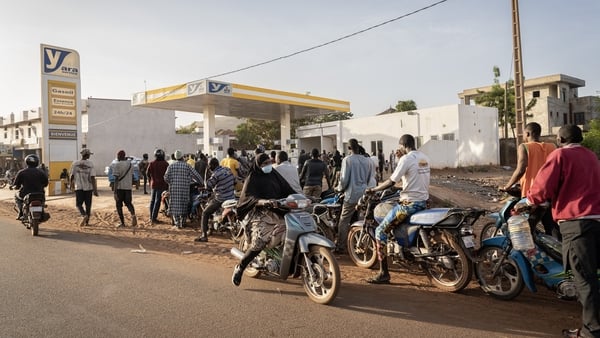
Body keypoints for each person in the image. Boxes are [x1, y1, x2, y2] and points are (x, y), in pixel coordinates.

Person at [525, 125, 600, 338]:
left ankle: (591, 331)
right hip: (596, 220)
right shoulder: (591, 155)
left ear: (560, 138)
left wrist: (529, 200)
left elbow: (542, 188)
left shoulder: (560, 155)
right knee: (593, 275)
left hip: (576, 223)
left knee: (585, 280)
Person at [366, 134, 431, 284]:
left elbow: (391, 181)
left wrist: (374, 189)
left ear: (402, 146)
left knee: (380, 231)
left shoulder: (406, 159)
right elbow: (412, 176)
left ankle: (383, 273)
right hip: (423, 202)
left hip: (409, 204)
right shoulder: (424, 157)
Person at [231, 153, 296, 286]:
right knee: (260, 240)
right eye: (264, 164)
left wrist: (301, 197)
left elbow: (288, 190)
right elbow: (249, 198)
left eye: (269, 162)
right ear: (258, 166)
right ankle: (240, 267)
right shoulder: (253, 178)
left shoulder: (275, 175)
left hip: (277, 210)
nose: (268, 166)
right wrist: (263, 202)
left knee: (291, 231)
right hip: (258, 213)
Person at [502, 122, 558, 237]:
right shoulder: (552, 146)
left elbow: (521, 169)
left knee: (524, 229)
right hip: (550, 193)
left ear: (527, 133)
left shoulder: (524, 147)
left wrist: (507, 186)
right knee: (551, 226)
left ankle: (528, 252)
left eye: (523, 133)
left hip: (532, 194)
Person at [335, 139, 374, 253]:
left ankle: (341, 245)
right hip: (363, 194)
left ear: (349, 148)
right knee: (361, 219)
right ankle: (361, 244)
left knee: (344, 220)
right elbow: (368, 178)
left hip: (351, 195)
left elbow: (344, 180)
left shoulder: (347, 160)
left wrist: (338, 189)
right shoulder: (366, 160)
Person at [194, 158, 235, 242]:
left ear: (212, 165)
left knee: (205, 213)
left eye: (209, 165)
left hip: (221, 198)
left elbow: (208, 185)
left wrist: (206, 173)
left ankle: (203, 235)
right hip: (231, 197)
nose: (209, 167)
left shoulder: (216, 174)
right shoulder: (227, 170)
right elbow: (234, 181)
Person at [164, 150, 204, 229]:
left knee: (175, 205)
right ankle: (183, 222)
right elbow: (196, 176)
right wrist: (201, 182)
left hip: (174, 189)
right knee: (184, 204)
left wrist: (171, 182)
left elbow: (165, 177)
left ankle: (177, 223)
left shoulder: (171, 166)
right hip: (185, 189)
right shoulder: (187, 166)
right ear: (182, 157)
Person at [12, 154, 48, 220]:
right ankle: (42, 211)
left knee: (16, 196)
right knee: (42, 201)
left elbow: (16, 184)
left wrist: (15, 187)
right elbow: (46, 183)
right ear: (37, 162)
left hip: (25, 194)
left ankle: (20, 212)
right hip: (39, 194)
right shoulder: (42, 172)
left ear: (26, 162)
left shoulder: (21, 172)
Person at [69, 148, 99, 227]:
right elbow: (92, 177)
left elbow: (71, 175)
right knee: (88, 205)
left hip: (79, 187)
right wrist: (95, 190)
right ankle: (87, 222)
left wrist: (70, 184)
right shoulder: (90, 164)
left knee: (78, 204)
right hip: (88, 188)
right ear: (87, 155)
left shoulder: (75, 163)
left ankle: (83, 214)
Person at [111, 150, 137, 228]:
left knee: (119, 205)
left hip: (120, 188)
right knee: (129, 203)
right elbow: (132, 176)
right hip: (128, 188)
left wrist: (115, 192)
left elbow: (116, 179)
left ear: (119, 156)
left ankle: (122, 223)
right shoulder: (130, 164)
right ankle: (133, 215)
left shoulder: (117, 165)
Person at [147, 149, 169, 225]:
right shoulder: (166, 164)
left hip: (154, 184)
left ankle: (151, 217)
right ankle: (154, 218)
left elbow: (147, 173)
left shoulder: (152, 163)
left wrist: (150, 180)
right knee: (157, 201)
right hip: (162, 185)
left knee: (152, 201)